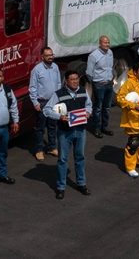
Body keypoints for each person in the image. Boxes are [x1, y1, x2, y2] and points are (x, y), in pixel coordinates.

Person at [43, 69, 92, 199]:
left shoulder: (83, 91)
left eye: (77, 79)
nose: (75, 81)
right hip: (65, 132)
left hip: (81, 130)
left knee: (80, 158)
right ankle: (61, 187)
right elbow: (46, 110)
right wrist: (59, 117)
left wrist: (88, 112)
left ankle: (81, 184)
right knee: (63, 160)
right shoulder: (58, 94)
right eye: (72, 79)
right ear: (66, 81)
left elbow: (89, 105)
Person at [28, 46, 62, 161]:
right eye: (48, 55)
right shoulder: (37, 70)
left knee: (53, 126)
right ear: (42, 57)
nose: (50, 57)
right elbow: (32, 88)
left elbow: (58, 83)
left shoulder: (55, 67)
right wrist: (35, 102)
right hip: (41, 102)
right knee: (40, 128)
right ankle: (39, 150)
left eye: (51, 55)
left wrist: (58, 98)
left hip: (53, 102)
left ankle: (52, 147)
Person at [86, 35, 115, 138]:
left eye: (108, 42)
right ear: (100, 43)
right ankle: (97, 129)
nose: (107, 44)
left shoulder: (110, 53)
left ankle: (104, 127)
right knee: (98, 108)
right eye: (105, 42)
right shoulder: (93, 56)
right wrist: (96, 83)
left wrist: (111, 79)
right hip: (99, 85)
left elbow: (110, 68)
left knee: (107, 107)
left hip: (109, 84)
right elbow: (89, 73)